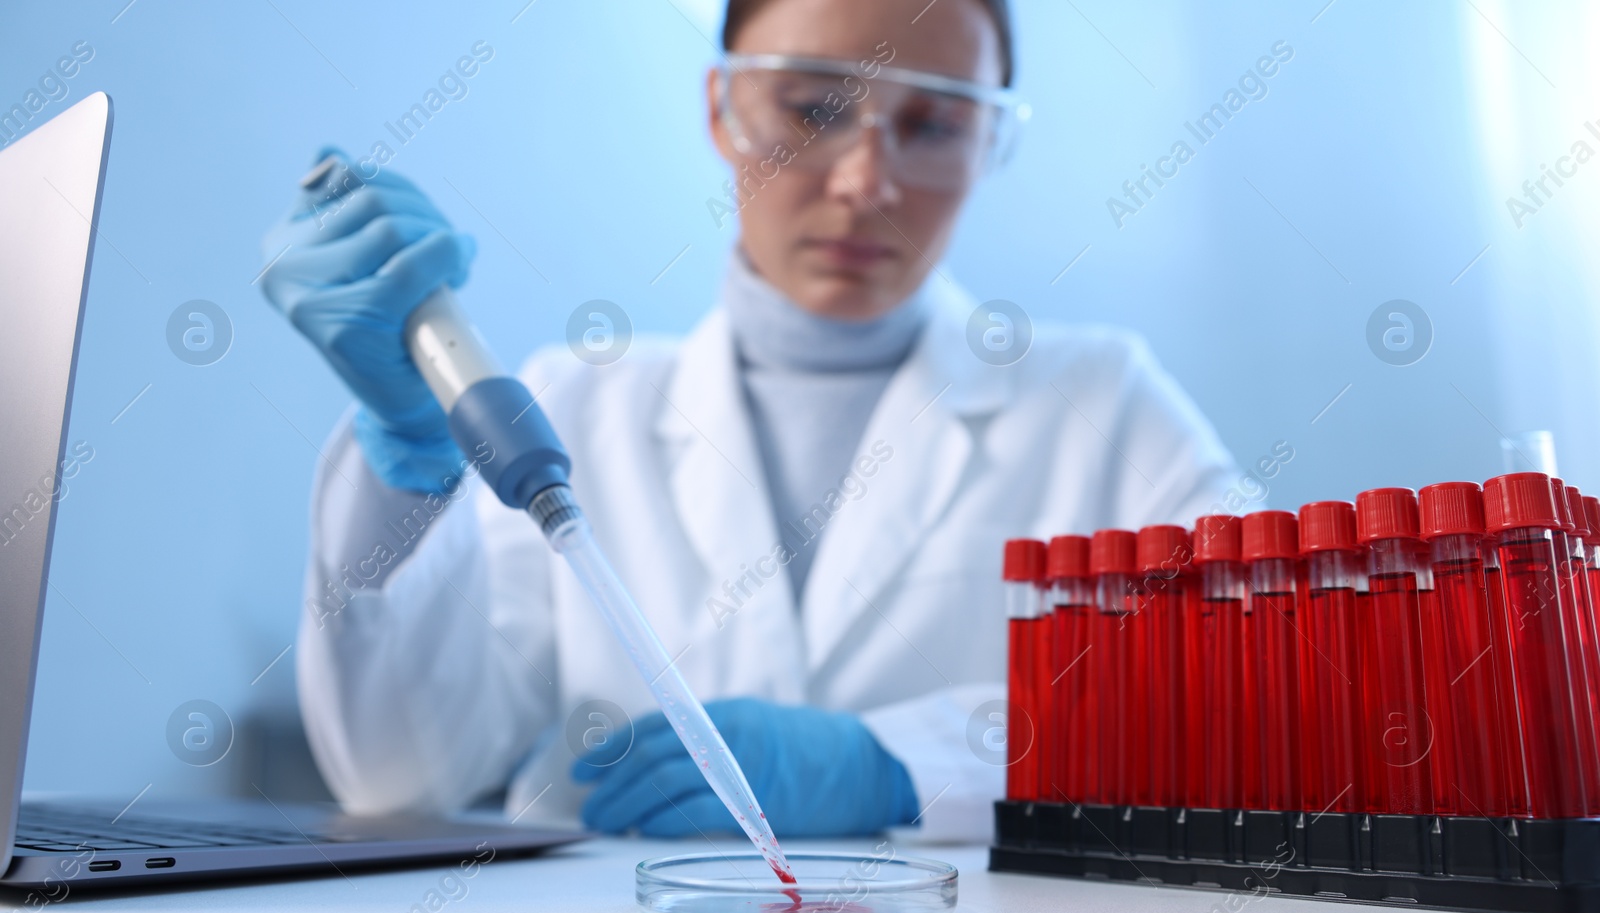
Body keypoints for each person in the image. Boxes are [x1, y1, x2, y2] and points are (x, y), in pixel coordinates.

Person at [259, 0, 1239, 844]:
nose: (865, 182)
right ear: (722, 107)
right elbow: (399, 776)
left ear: (990, 142)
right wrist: (407, 461)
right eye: (813, 110)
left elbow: (1246, 703)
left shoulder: (1101, 402)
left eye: (934, 124)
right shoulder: (581, 403)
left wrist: (897, 762)